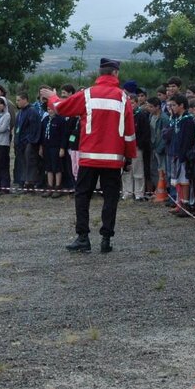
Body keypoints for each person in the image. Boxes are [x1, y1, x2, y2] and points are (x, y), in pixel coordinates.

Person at [42, 58, 137, 254]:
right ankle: (106, 239)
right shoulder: (123, 98)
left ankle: (83, 237)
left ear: (99, 74)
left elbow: (61, 108)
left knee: (83, 196)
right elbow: (129, 132)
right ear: (115, 74)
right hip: (113, 159)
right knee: (111, 198)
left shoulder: (87, 95)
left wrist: (52, 96)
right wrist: (128, 157)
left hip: (89, 157)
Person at [40, 104, 68, 197]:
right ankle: (49, 187)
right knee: (48, 168)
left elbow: (64, 136)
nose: (50, 111)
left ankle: (58, 187)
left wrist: (62, 148)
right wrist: (41, 147)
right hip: (46, 147)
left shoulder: (61, 120)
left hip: (56, 147)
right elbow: (42, 134)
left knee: (57, 168)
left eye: (52, 109)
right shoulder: (45, 120)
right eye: (48, 109)